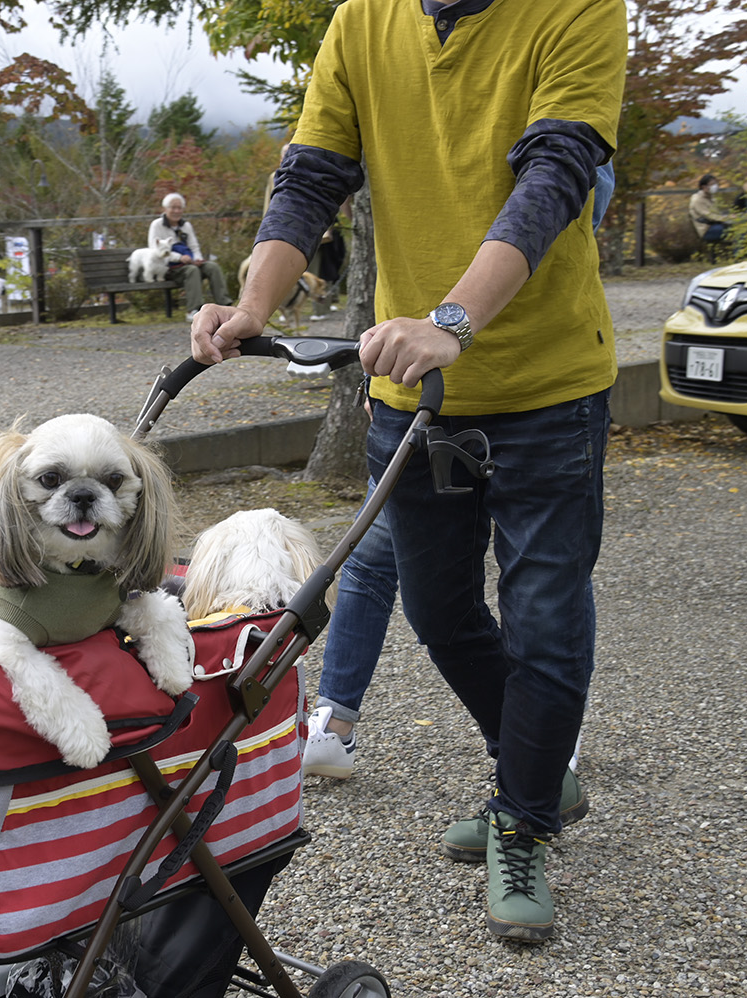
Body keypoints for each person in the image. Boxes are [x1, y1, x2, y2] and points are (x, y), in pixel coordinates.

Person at [192, 0, 626, 942]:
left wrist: (454, 321)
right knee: (435, 607)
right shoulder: (363, 19)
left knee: (545, 613)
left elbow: (556, 174)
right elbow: (313, 175)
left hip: (546, 379)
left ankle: (522, 819)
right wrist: (254, 301)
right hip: (412, 392)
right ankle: (538, 770)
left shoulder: (579, 10)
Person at [305, 160, 617, 783]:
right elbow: (399, 245)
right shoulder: (398, 101)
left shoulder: (566, 134)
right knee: (387, 571)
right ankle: (339, 719)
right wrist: (386, 363)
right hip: (415, 391)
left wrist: (448, 324)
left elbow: (557, 222)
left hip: (536, 388)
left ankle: (541, 748)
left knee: (542, 590)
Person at [150, 192, 231, 318]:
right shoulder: (157, 225)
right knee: (192, 270)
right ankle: (194, 310)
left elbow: (194, 247)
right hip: (168, 268)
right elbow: (155, 250)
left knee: (212, 267)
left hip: (188, 263)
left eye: (179, 208)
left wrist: (197, 259)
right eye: (173, 207)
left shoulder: (186, 225)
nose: (177, 211)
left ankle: (225, 305)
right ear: (165, 209)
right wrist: (179, 258)